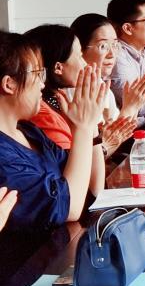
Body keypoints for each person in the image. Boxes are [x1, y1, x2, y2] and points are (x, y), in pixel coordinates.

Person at [0, 31, 107, 232]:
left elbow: (92, 189)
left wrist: (90, 128)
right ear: (9, 84)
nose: (42, 84)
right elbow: (70, 207)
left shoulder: (29, 132)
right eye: (37, 74)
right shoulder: (3, 155)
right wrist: (83, 128)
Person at [23, 24, 135, 158]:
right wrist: (100, 142)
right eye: (80, 56)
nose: (85, 64)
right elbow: (76, 166)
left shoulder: (58, 99)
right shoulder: (43, 113)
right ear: (58, 67)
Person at [71, 13, 145, 126]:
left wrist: (133, 106)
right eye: (103, 46)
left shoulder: (102, 85)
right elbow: (110, 136)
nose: (112, 54)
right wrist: (130, 107)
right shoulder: (75, 93)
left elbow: (120, 132)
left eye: (115, 45)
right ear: (79, 50)